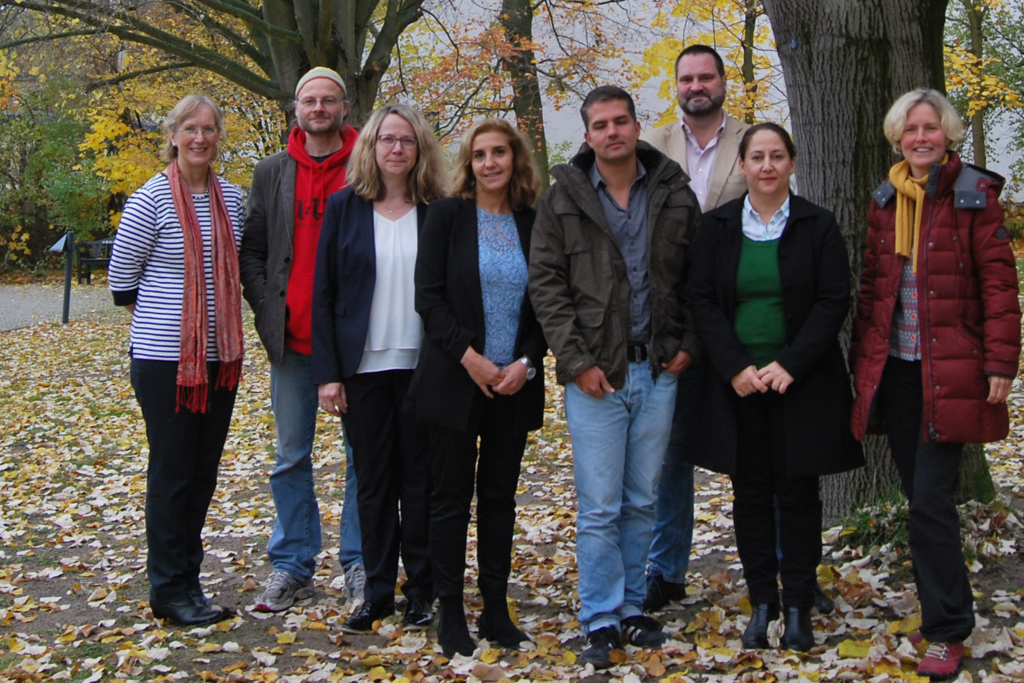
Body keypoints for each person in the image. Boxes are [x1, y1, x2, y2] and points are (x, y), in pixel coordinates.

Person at [849, 90, 1021, 680]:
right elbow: (873, 293)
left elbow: (999, 287)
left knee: (928, 504)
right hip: (896, 372)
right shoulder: (884, 200)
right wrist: (862, 370)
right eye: (911, 130)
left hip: (950, 374)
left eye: (932, 128)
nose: (922, 138)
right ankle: (941, 608)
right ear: (898, 137)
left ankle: (948, 630)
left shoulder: (975, 195)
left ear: (947, 134)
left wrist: (1001, 363)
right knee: (919, 501)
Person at [529, 86, 702, 669]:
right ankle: (600, 615)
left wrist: (688, 347)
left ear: (636, 127)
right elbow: (547, 287)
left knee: (641, 499)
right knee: (600, 505)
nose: (612, 132)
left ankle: (632, 606)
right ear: (587, 135)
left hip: (658, 370)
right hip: (595, 376)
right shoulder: (563, 199)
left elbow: (700, 279)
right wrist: (577, 363)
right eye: (600, 124)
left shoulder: (674, 193)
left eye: (621, 121)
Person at [687, 123, 864, 652]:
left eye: (777, 156)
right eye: (757, 157)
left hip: (801, 384)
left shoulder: (818, 224)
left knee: (800, 495)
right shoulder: (716, 227)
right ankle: (762, 600)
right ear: (742, 165)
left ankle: (798, 605)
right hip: (737, 385)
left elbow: (834, 300)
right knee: (751, 494)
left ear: (791, 163)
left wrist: (790, 363)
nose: (767, 166)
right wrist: (736, 366)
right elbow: (702, 300)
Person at [311, 103, 447, 634]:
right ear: (371, 146)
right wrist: (327, 373)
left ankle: (421, 590)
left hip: (423, 366)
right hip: (362, 369)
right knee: (372, 481)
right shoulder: (344, 207)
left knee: (419, 481)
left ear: (420, 150)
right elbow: (322, 294)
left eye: (407, 141)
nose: (396, 149)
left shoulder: (438, 210)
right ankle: (376, 592)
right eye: (387, 139)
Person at [109, 94, 244, 625]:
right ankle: (168, 588)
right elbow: (122, 283)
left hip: (220, 360)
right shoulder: (150, 200)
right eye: (190, 128)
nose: (200, 138)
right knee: (173, 472)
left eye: (210, 129)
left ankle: (190, 581)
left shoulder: (231, 198)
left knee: (203, 472)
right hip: (167, 363)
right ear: (173, 135)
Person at [413, 119, 546, 657]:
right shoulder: (446, 217)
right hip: (455, 380)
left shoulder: (534, 224)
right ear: (468, 163)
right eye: (480, 154)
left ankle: (495, 608)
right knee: (449, 500)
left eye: (500, 153)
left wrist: (527, 362)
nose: (490, 162)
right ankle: (450, 611)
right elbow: (429, 298)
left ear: (516, 160)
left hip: (513, 385)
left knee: (499, 499)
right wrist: (469, 358)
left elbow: (546, 306)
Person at [239, 67, 366, 613]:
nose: (318, 108)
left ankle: (361, 560)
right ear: (296, 108)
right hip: (292, 342)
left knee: (365, 456)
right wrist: (272, 304)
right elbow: (253, 249)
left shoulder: (369, 165)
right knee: (291, 456)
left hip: (359, 339)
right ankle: (293, 564)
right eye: (309, 100)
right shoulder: (272, 171)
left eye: (328, 100)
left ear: (343, 106)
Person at [640, 43, 749, 613]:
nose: (697, 85)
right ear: (676, 86)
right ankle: (668, 569)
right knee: (669, 455)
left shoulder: (752, 144)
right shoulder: (651, 147)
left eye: (706, 76)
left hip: (739, 321)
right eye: (687, 78)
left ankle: (770, 565)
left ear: (723, 82)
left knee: (752, 449)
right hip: (672, 320)